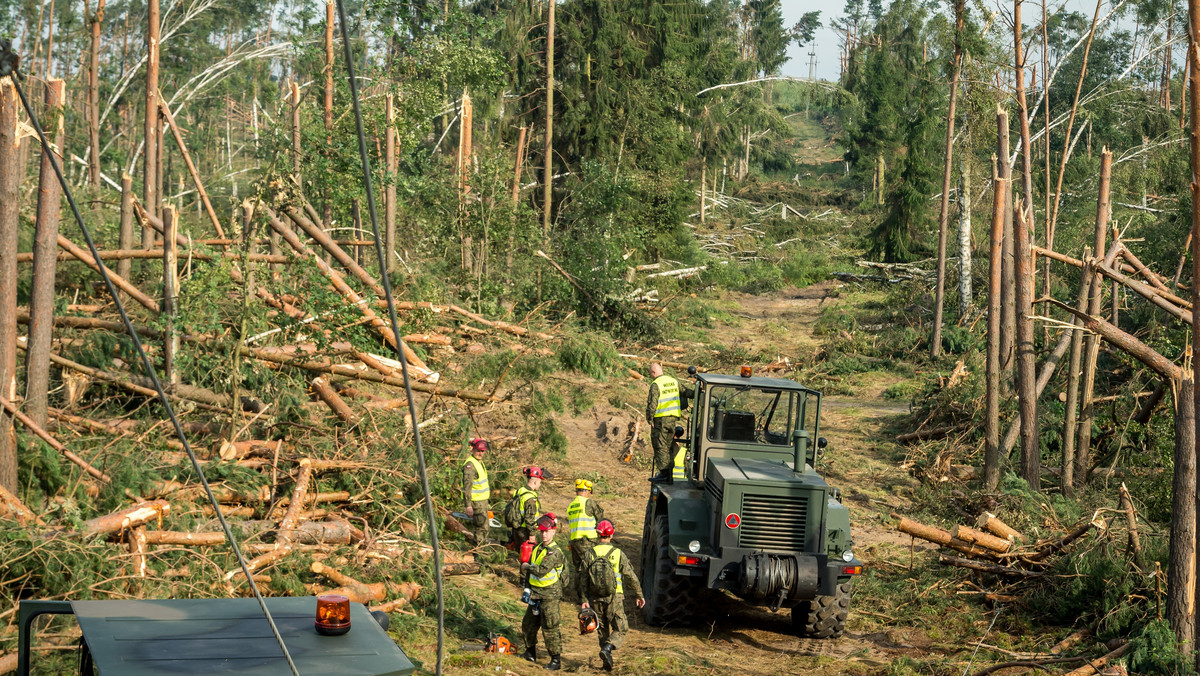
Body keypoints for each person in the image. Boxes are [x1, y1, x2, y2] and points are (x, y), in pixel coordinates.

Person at [578, 519, 644, 672]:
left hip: (595, 598)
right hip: (615, 597)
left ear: (597, 534)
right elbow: (631, 576)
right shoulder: (617, 553)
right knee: (621, 628)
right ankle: (607, 649)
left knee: (602, 629)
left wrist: (583, 599)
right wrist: (639, 594)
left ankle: (605, 660)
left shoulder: (589, 554)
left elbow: (582, 579)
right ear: (612, 534)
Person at [522, 514, 567, 670]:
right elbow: (532, 574)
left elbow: (541, 571)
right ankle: (530, 653)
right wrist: (527, 588)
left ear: (553, 531)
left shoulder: (555, 552)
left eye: (547, 531)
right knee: (528, 624)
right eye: (541, 531)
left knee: (550, 628)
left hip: (550, 595)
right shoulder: (538, 548)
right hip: (535, 594)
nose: (544, 534)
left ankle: (556, 660)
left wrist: (526, 566)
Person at [566, 479, 605, 591]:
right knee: (589, 568)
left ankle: (578, 594)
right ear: (587, 491)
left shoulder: (571, 505)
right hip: (587, 541)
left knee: (578, 568)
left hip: (574, 541)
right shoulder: (589, 503)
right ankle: (586, 596)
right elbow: (600, 517)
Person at [645, 363, 682, 474]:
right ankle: (669, 472)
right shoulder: (673, 381)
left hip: (660, 421)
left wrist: (650, 419)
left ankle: (664, 473)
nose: (651, 377)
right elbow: (686, 391)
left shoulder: (656, 384)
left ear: (654, 372)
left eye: (650, 374)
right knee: (669, 445)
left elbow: (652, 404)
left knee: (660, 447)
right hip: (672, 421)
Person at [461, 438, 491, 543]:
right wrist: (468, 505)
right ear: (473, 449)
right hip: (476, 502)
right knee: (481, 528)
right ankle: (478, 553)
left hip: (482, 501)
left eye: (482, 451)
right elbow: (467, 487)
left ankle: (478, 550)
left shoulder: (478, 462)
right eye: (478, 450)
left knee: (484, 527)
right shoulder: (470, 465)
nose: (480, 453)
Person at [512, 466, 543, 547]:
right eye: (540, 482)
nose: (540, 484)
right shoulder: (530, 498)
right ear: (535, 481)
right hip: (525, 532)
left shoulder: (519, 491)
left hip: (516, 529)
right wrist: (532, 535)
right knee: (526, 557)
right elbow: (529, 519)